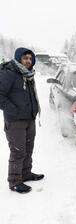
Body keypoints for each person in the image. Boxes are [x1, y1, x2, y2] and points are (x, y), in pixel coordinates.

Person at [0, 47, 44, 194]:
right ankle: (14, 181)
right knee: (18, 151)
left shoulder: (28, 75)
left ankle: (25, 173)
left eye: (30, 59)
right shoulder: (10, 73)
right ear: (19, 58)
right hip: (15, 121)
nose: (28, 61)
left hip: (29, 118)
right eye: (25, 58)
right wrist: (14, 110)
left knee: (28, 149)